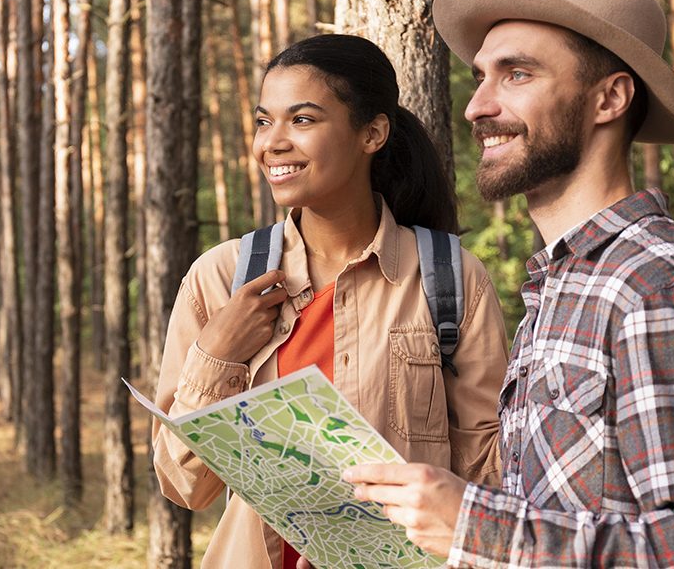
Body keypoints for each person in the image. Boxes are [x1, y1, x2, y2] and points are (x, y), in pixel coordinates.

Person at [342, 0, 674, 567]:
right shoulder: (563, 284)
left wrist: (475, 527)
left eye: (517, 73)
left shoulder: (654, 290)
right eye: (480, 78)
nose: (477, 106)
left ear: (610, 98)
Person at [150, 34, 510, 569]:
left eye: (302, 120)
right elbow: (184, 485)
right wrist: (217, 355)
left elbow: (488, 476)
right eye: (263, 121)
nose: (272, 143)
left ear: (372, 133)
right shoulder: (221, 277)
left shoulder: (450, 278)